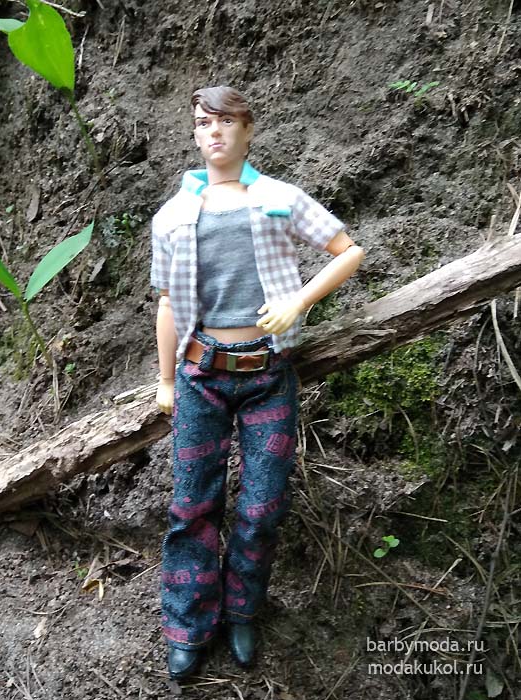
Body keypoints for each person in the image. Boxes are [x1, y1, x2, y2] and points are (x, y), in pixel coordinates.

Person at [150, 85, 364, 680]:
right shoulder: (172, 215)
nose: (214, 132)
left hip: (268, 373)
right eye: (203, 123)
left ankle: (243, 611)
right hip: (201, 375)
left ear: (248, 130)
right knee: (193, 504)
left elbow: (348, 251)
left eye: (225, 121)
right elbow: (167, 303)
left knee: (263, 505)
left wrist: (299, 300)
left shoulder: (278, 197)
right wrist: (164, 379)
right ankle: (189, 624)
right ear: (195, 135)